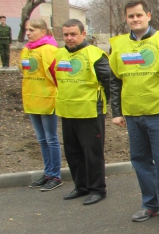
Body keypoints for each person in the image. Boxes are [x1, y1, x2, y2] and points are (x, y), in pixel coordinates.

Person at [109, 0, 159, 227]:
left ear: (149, 16)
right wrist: (117, 111)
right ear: (126, 19)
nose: (135, 19)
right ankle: (151, 204)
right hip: (132, 114)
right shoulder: (119, 45)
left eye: (139, 15)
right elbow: (114, 80)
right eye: (130, 16)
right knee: (140, 160)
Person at [54, 19, 111, 205]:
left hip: (90, 111)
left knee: (92, 153)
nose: (69, 38)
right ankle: (81, 186)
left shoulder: (94, 54)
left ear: (83, 34)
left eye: (73, 34)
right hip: (67, 110)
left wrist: (104, 104)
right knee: (73, 152)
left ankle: (97, 189)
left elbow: (109, 82)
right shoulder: (59, 54)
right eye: (66, 34)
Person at [20, 19, 63, 191]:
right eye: (27, 30)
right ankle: (47, 173)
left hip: (47, 100)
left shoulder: (50, 50)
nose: (28, 33)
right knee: (41, 139)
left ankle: (55, 175)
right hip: (32, 100)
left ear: (43, 32)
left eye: (32, 30)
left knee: (51, 138)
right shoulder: (25, 51)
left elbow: (57, 76)